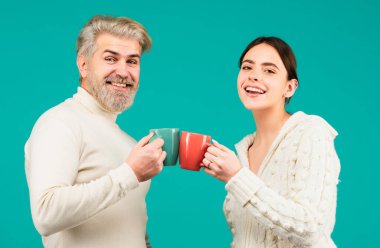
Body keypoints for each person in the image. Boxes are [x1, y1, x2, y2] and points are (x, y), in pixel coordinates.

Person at [25, 15, 166, 248]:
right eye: (111, 58)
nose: (123, 71)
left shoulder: (129, 143)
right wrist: (130, 174)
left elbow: (128, 226)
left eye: (132, 61)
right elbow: (45, 213)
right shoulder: (60, 122)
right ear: (83, 64)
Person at [202, 37, 340, 247]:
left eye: (269, 70)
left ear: (290, 88)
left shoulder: (311, 132)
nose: (254, 76)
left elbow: (309, 228)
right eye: (247, 67)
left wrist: (237, 176)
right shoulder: (243, 150)